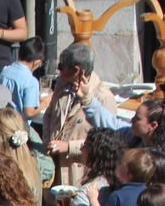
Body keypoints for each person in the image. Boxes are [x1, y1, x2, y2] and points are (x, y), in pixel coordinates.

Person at [41, 43, 116, 188]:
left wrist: (69, 147)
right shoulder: (61, 84)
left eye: (61, 67)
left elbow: (107, 143)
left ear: (76, 70)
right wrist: (47, 142)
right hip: (54, 170)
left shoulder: (103, 98)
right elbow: (49, 114)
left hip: (79, 174)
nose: (59, 71)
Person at [0, 36, 42, 119]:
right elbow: (29, 113)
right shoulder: (31, 81)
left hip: (1, 121)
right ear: (37, 62)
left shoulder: (5, 71)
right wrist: (45, 103)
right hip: (18, 125)